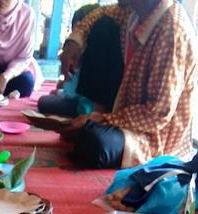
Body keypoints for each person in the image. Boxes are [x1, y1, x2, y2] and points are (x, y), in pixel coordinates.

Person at [50, 0, 196, 169]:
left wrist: (100, 119)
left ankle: (88, 122)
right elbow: (100, 12)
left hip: (155, 136)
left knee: (94, 143)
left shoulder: (171, 30)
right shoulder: (133, 12)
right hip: (124, 114)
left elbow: (157, 114)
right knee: (102, 25)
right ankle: (88, 116)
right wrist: (74, 40)